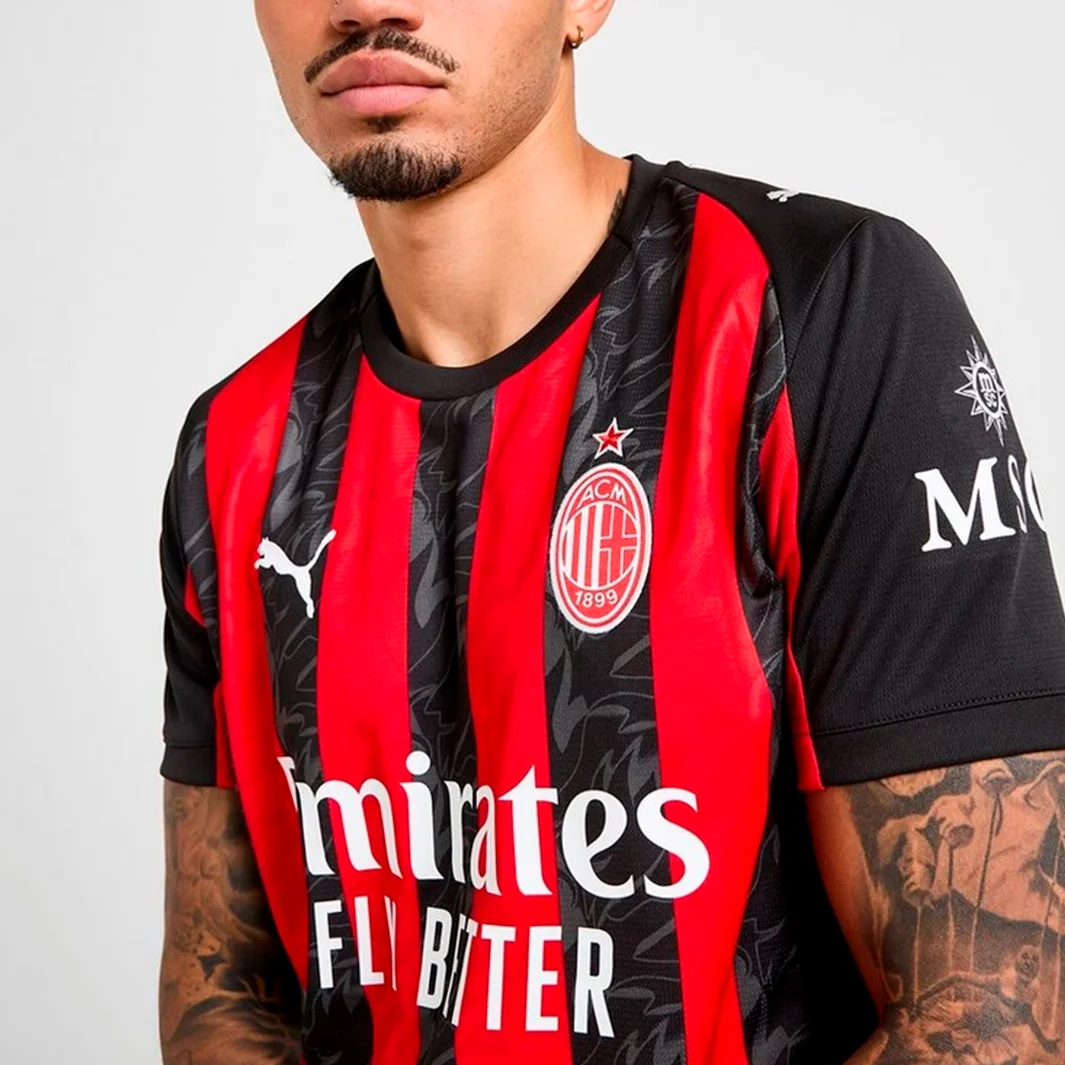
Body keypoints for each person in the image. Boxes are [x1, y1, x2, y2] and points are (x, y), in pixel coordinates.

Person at [156, 1, 1065, 1063]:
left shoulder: (818, 311)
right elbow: (220, 988)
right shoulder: (237, 445)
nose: (368, 1)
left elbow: (995, 1012)